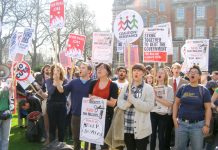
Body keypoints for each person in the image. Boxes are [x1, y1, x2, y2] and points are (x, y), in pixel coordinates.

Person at [173, 65, 212, 150]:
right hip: (181, 125)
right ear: (188, 75)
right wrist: (174, 118)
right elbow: (176, 103)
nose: (192, 74)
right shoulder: (182, 88)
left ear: (199, 76)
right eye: (191, 72)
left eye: (195, 72)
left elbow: (208, 109)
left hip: (197, 126)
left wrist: (207, 125)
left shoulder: (204, 90)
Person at [117, 63, 155, 150]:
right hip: (127, 127)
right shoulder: (127, 86)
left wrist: (133, 100)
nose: (136, 73)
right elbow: (119, 102)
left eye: (138, 71)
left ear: (143, 73)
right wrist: (127, 104)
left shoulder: (148, 88)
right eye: (134, 71)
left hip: (141, 128)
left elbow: (149, 107)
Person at [89, 63, 118, 149]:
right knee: (92, 142)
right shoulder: (93, 83)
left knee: (104, 143)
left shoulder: (113, 85)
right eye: (98, 68)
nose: (99, 69)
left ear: (108, 72)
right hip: (93, 116)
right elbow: (90, 98)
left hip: (106, 117)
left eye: (102, 68)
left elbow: (112, 103)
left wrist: (98, 99)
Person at [64, 62, 92, 150]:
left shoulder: (94, 83)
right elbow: (62, 90)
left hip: (90, 115)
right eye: (80, 67)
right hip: (75, 114)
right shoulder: (73, 82)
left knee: (88, 140)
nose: (81, 69)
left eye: (83, 68)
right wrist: (57, 81)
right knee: (76, 139)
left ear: (89, 71)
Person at [166, 62, 189, 149]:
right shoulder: (167, 80)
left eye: (178, 68)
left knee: (179, 130)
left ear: (180, 70)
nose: (176, 70)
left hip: (180, 109)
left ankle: (178, 146)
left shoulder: (185, 82)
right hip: (168, 108)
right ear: (172, 70)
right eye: (174, 68)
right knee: (167, 129)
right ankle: (167, 146)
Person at [150, 68, 174, 150]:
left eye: (162, 73)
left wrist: (156, 98)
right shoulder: (151, 87)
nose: (160, 74)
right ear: (156, 75)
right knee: (152, 135)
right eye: (158, 72)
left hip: (164, 115)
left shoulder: (169, 88)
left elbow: (170, 104)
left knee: (161, 136)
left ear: (165, 76)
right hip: (153, 114)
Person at [43, 63, 68, 143]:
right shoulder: (49, 80)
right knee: (52, 125)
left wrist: (58, 82)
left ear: (61, 71)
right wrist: (54, 82)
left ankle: (61, 144)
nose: (56, 72)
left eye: (58, 70)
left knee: (61, 126)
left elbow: (63, 92)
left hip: (62, 105)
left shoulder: (65, 80)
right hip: (51, 105)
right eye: (55, 70)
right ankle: (52, 144)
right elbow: (51, 92)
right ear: (52, 71)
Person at [0, 79, 14, 150]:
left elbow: (10, 97)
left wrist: (11, 90)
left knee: (5, 137)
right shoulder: (3, 87)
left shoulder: (5, 85)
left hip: (7, 113)